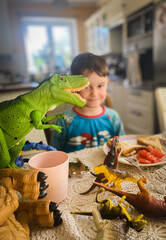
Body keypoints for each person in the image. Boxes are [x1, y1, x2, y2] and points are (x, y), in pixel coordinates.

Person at [50, 52, 125, 152]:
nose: (94, 93)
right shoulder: (64, 120)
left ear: (107, 83)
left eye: (100, 86)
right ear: (74, 87)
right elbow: (53, 154)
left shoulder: (113, 118)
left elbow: (122, 147)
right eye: (86, 87)